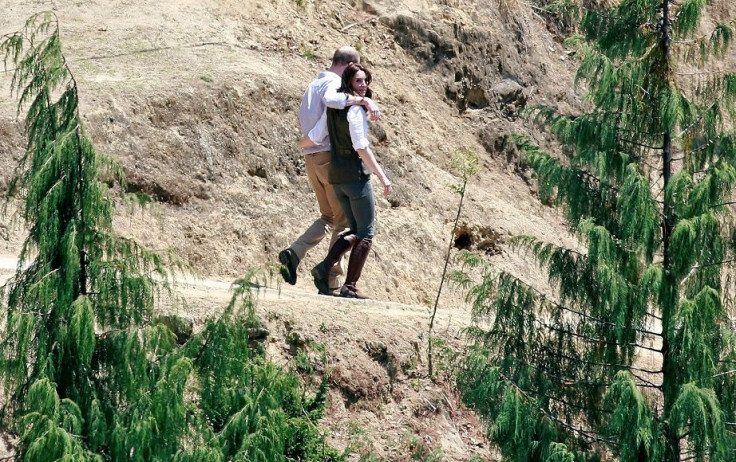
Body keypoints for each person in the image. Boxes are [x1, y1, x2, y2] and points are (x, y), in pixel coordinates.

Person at [279, 47, 381, 294]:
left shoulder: (313, 84)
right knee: (345, 222)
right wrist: (361, 99)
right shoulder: (334, 86)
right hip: (329, 157)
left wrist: (307, 141)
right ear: (348, 67)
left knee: (328, 216)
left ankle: (295, 252)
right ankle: (332, 278)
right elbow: (331, 110)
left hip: (311, 159)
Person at [304, 63, 392, 299]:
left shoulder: (333, 108)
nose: (363, 86)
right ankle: (349, 286)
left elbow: (314, 136)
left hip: (336, 175)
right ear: (349, 83)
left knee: (354, 229)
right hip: (354, 175)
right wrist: (382, 176)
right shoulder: (355, 112)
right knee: (366, 232)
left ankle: (324, 268)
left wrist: (303, 147)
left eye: (365, 81)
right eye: (358, 81)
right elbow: (361, 146)